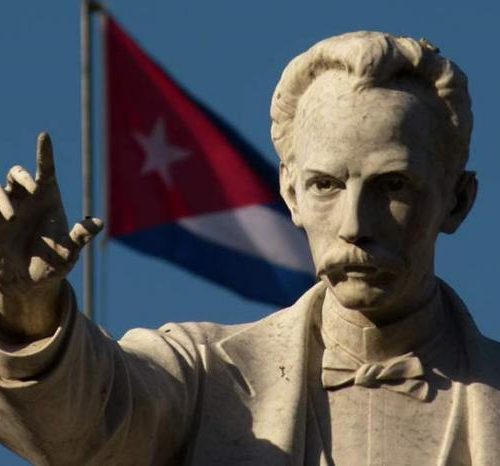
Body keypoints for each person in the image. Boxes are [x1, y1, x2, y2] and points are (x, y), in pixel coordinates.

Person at [0, 31, 498, 466]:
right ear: (291, 195)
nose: (354, 225)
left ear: (457, 201)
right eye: (325, 185)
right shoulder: (203, 374)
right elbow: (86, 423)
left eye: (392, 186)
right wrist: (29, 311)